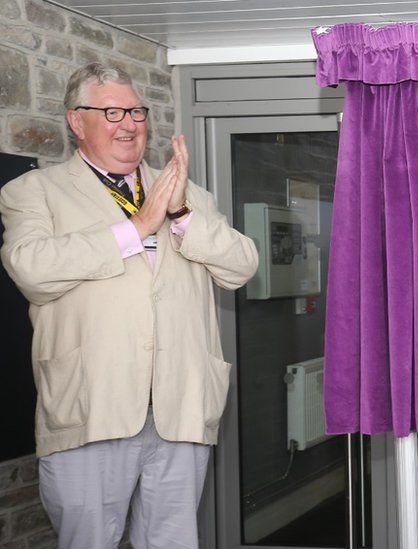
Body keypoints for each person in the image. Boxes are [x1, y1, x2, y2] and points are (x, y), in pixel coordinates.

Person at [0, 62, 258, 548]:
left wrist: (179, 214)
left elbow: (242, 266)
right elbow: (31, 267)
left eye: (137, 111)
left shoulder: (187, 193)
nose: (130, 124)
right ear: (77, 122)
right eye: (113, 111)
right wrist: (136, 228)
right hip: (90, 408)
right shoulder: (34, 192)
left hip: (181, 407)